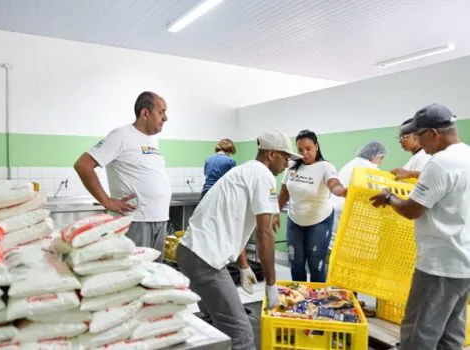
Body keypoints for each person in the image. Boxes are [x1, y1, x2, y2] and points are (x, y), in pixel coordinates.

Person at [176, 131, 298, 350]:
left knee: (216, 323)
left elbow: (235, 224)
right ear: (271, 154)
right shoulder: (263, 176)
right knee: (242, 334)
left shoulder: (243, 171)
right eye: (285, 157)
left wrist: (243, 266)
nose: (287, 163)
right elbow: (264, 233)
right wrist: (271, 285)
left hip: (190, 252)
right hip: (207, 259)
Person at [370, 103, 470, 350]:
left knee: (419, 334)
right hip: (464, 262)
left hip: (439, 265)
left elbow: (412, 210)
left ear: (434, 133)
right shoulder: (466, 155)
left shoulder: (439, 162)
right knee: (451, 334)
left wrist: (388, 197)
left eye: (419, 136)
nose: (418, 142)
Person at [74, 91, 171, 262]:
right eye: (161, 112)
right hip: (136, 221)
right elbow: (83, 165)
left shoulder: (153, 141)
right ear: (145, 113)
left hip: (159, 218)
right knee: (134, 274)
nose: (165, 118)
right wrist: (106, 201)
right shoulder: (121, 135)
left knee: (154, 276)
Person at [274, 129, 347, 282]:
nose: (304, 153)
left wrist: (342, 191)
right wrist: (276, 212)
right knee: (296, 263)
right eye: (300, 150)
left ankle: (316, 299)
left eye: (308, 149)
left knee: (316, 265)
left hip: (319, 222)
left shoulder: (325, 167)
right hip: (295, 220)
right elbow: (284, 191)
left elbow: (334, 184)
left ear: (316, 146)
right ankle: (299, 298)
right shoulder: (292, 165)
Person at [331, 141, 386, 234]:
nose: (381, 162)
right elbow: (381, 192)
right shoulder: (372, 168)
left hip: (334, 208)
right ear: (374, 156)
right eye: (381, 158)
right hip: (350, 211)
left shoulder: (350, 164)